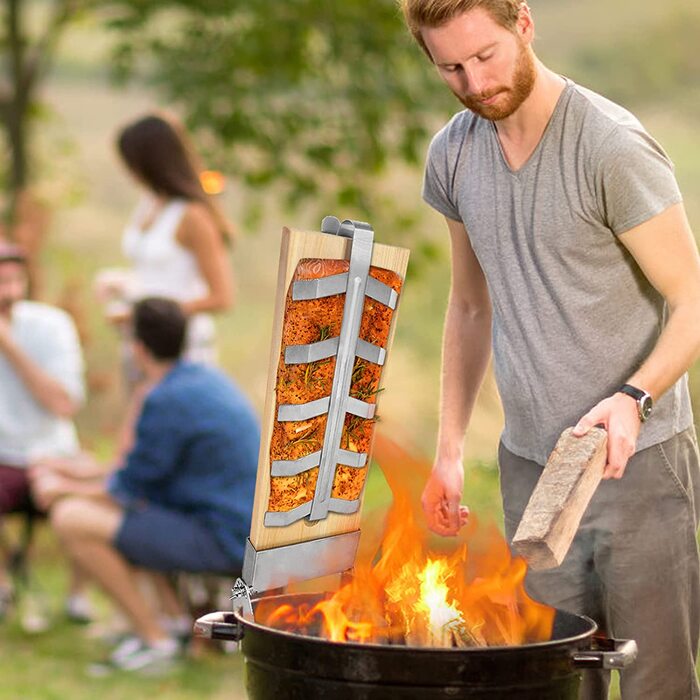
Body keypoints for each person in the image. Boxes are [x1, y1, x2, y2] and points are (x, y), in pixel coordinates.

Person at [399, 1, 700, 698]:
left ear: (523, 25)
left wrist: (633, 400)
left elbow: (691, 301)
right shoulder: (454, 153)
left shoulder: (610, 147)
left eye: (486, 57)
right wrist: (448, 450)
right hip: (532, 469)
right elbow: (471, 306)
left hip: (641, 468)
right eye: (451, 68)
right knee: (553, 681)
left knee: (656, 683)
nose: (475, 84)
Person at [33, 297, 259, 673]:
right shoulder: (202, 379)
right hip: (237, 529)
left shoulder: (165, 398)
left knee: (71, 518)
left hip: (223, 539)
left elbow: (127, 489)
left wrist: (61, 489)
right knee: (106, 514)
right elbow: (137, 475)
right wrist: (70, 473)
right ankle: (170, 622)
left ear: (137, 348)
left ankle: (157, 640)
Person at [0, 242, 90, 625]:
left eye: (15, 279)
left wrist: (8, 344)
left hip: (52, 453)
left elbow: (64, 404)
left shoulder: (51, 325)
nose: (10, 290)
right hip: (3, 457)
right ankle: (3, 588)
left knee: (91, 500)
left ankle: (77, 597)